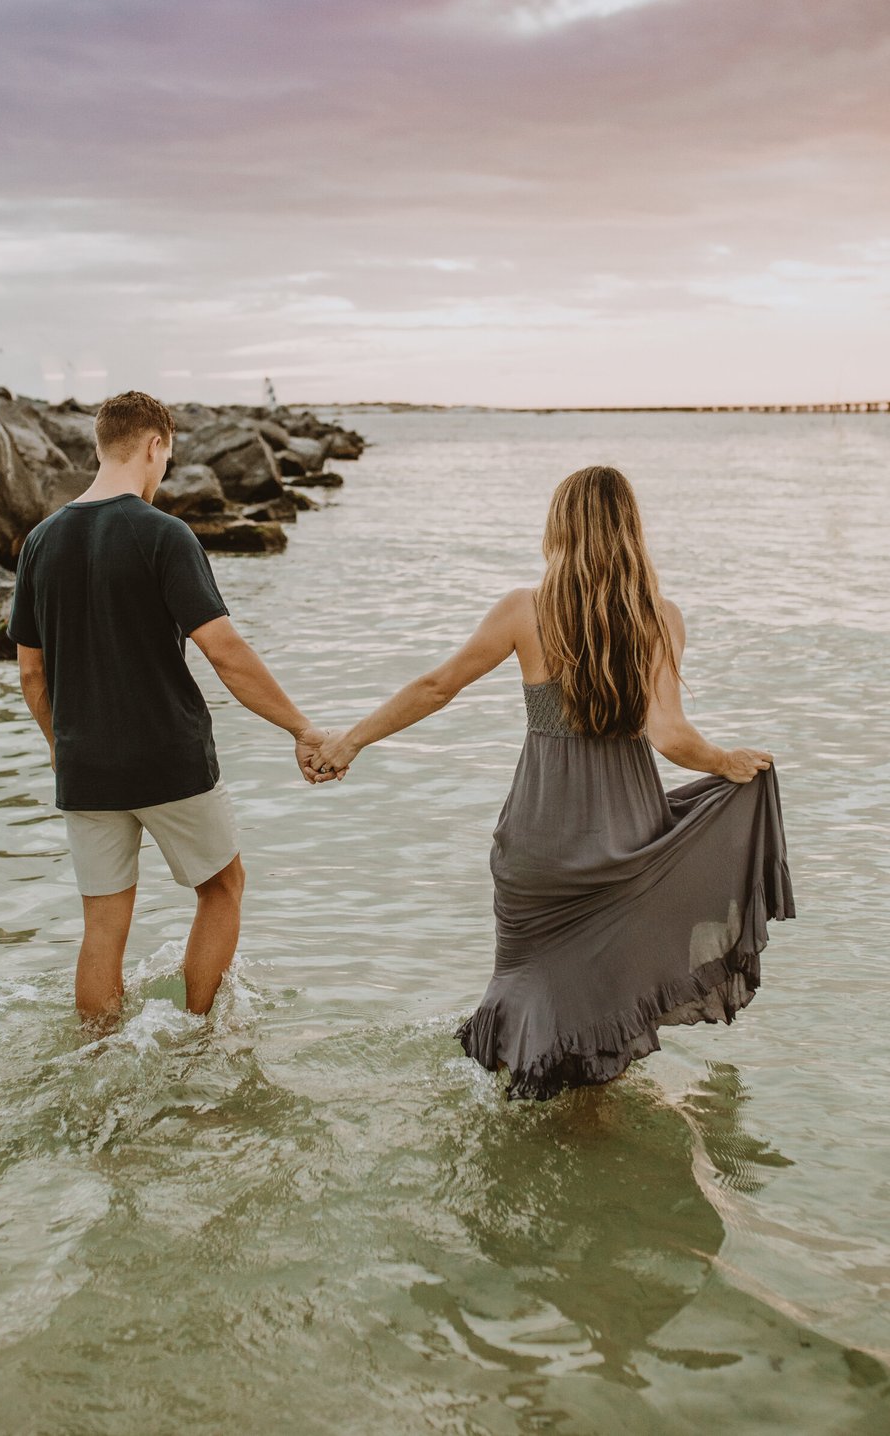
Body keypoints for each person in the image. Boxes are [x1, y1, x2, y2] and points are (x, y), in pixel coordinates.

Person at [310, 465, 794, 1098]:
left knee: (521, 990)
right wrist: (726, 761)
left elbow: (437, 687)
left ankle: (507, 1131)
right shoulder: (660, 617)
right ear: (631, 530)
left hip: (536, 845)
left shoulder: (524, 611)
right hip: (625, 847)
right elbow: (670, 736)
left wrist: (349, 741)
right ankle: (590, 1155)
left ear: (559, 528)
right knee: (600, 1022)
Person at [8, 390, 333, 1027]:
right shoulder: (164, 534)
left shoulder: (40, 542)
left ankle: (97, 1056)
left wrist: (62, 747)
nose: (163, 471)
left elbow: (31, 673)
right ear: (154, 446)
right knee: (222, 889)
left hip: (85, 768)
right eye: (166, 458)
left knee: (103, 922)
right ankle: (197, 1037)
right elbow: (226, 652)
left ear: (98, 447)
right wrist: (302, 727)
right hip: (167, 757)